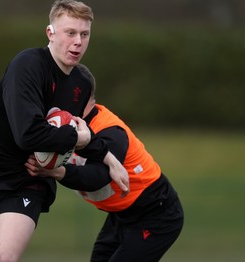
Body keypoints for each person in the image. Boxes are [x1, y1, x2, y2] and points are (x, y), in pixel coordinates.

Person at [0, 0, 129, 262]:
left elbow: (79, 133)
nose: (78, 42)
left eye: (84, 34)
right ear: (51, 33)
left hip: (30, 176)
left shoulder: (80, 83)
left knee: (4, 257)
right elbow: (28, 134)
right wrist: (76, 139)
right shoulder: (27, 66)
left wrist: (108, 158)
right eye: (70, 33)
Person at [26, 64, 184, 262]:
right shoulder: (64, 125)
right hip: (119, 215)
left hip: (155, 213)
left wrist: (56, 172)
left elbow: (97, 177)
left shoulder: (110, 131)